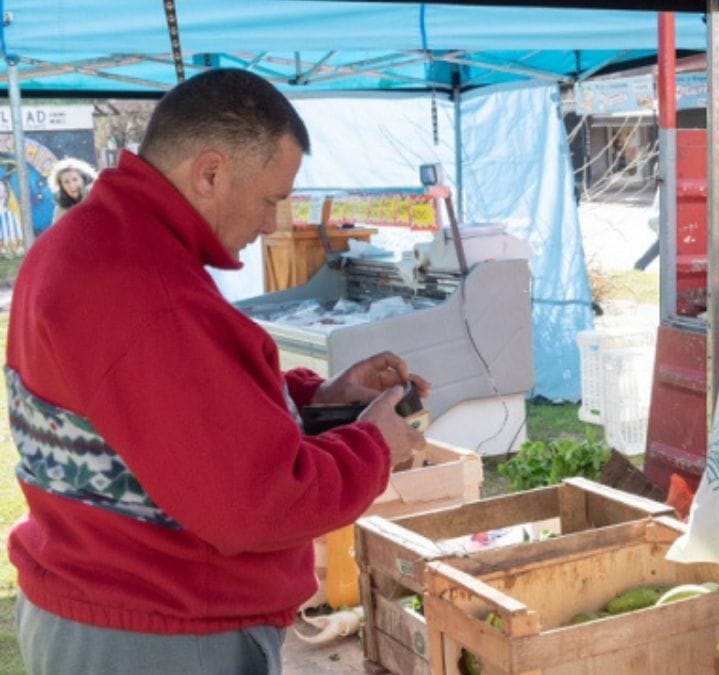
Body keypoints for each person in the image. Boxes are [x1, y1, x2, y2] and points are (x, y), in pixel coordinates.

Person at [7, 69, 429, 675]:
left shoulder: (96, 240)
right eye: (270, 200)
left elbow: (170, 412)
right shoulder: (146, 287)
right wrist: (374, 443)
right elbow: (257, 502)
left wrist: (323, 400)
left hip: (113, 606)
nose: (268, 224)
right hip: (158, 631)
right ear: (210, 174)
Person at [48, 156, 97, 223]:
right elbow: (58, 232)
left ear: (84, 179)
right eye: (66, 182)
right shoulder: (61, 209)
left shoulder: (97, 197)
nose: (72, 185)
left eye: (75, 179)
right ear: (61, 186)